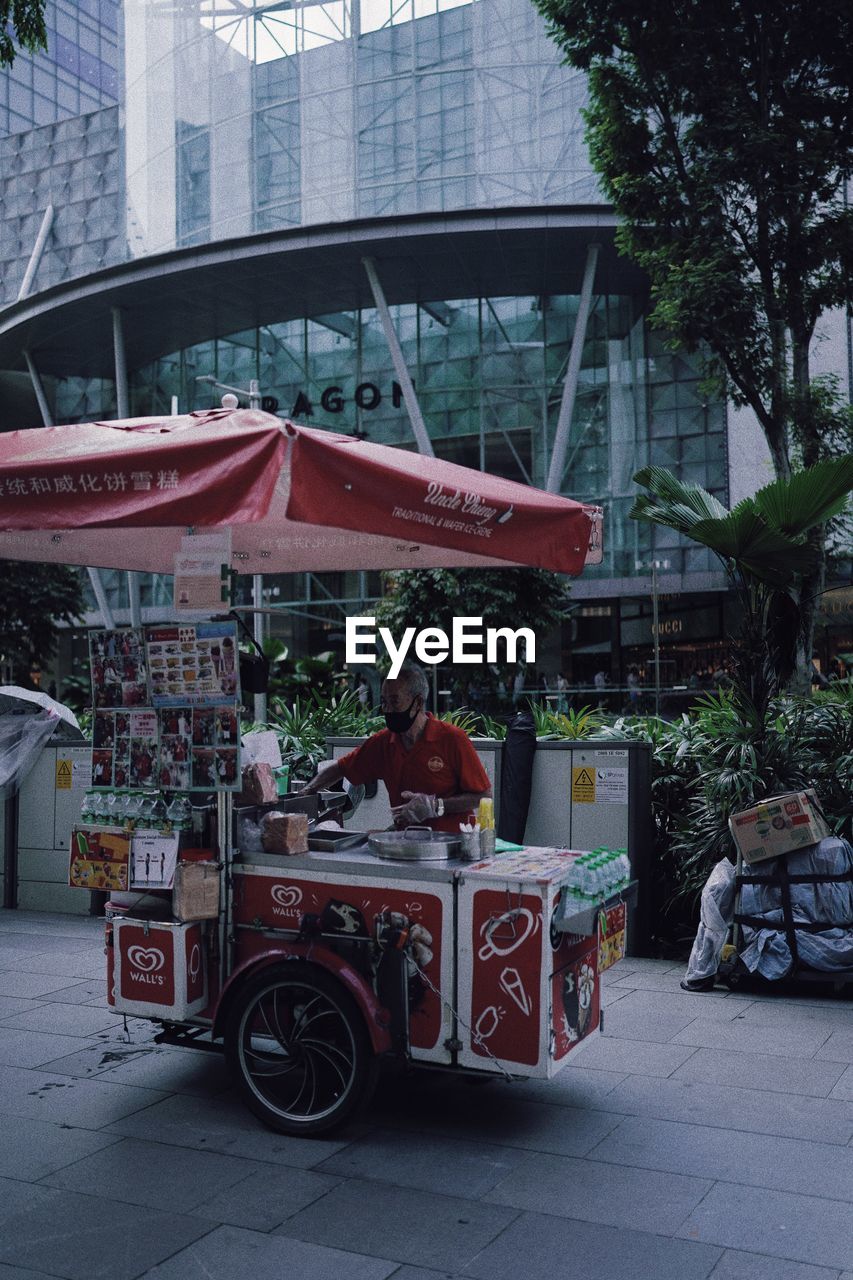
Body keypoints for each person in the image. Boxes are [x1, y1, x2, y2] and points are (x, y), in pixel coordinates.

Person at [301, 663, 491, 832]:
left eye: (394, 701)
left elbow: (484, 797)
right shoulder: (383, 743)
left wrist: (436, 805)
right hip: (406, 843)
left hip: (453, 846)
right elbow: (341, 768)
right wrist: (306, 792)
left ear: (418, 703)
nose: (388, 709)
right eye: (384, 702)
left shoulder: (452, 739)